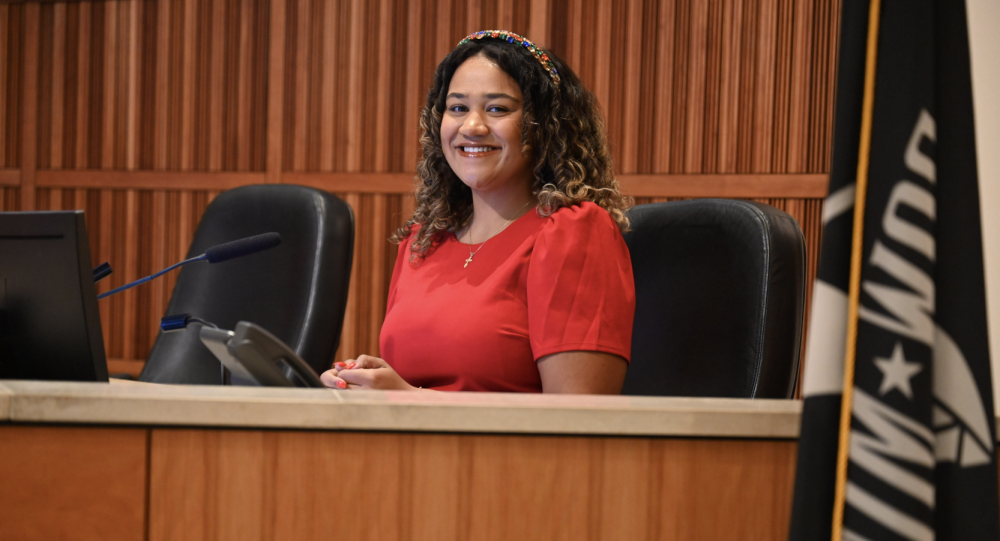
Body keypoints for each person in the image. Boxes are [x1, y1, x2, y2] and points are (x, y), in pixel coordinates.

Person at [320, 30, 635, 393]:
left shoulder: (574, 231)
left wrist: (406, 399)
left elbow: (578, 413)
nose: (472, 127)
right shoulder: (424, 240)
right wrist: (364, 383)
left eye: (497, 109)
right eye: (457, 108)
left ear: (545, 126)